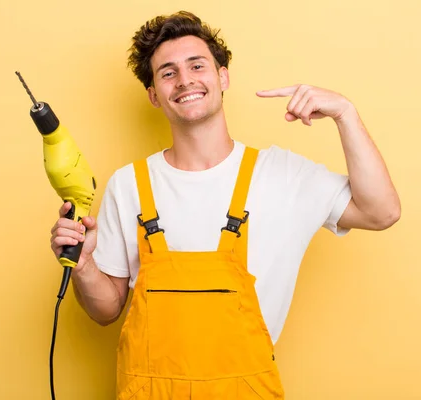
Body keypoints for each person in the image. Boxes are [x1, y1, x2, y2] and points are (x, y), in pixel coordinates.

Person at [50, 10, 400, 399]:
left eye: (197, 65)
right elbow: (106, 310)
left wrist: (344, 113)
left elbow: (381, 211)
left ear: (222, 76)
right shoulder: (128, 185)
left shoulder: (282, 175)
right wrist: (82, 267)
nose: (185, 80)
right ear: (153, 95)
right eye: (167, 73)